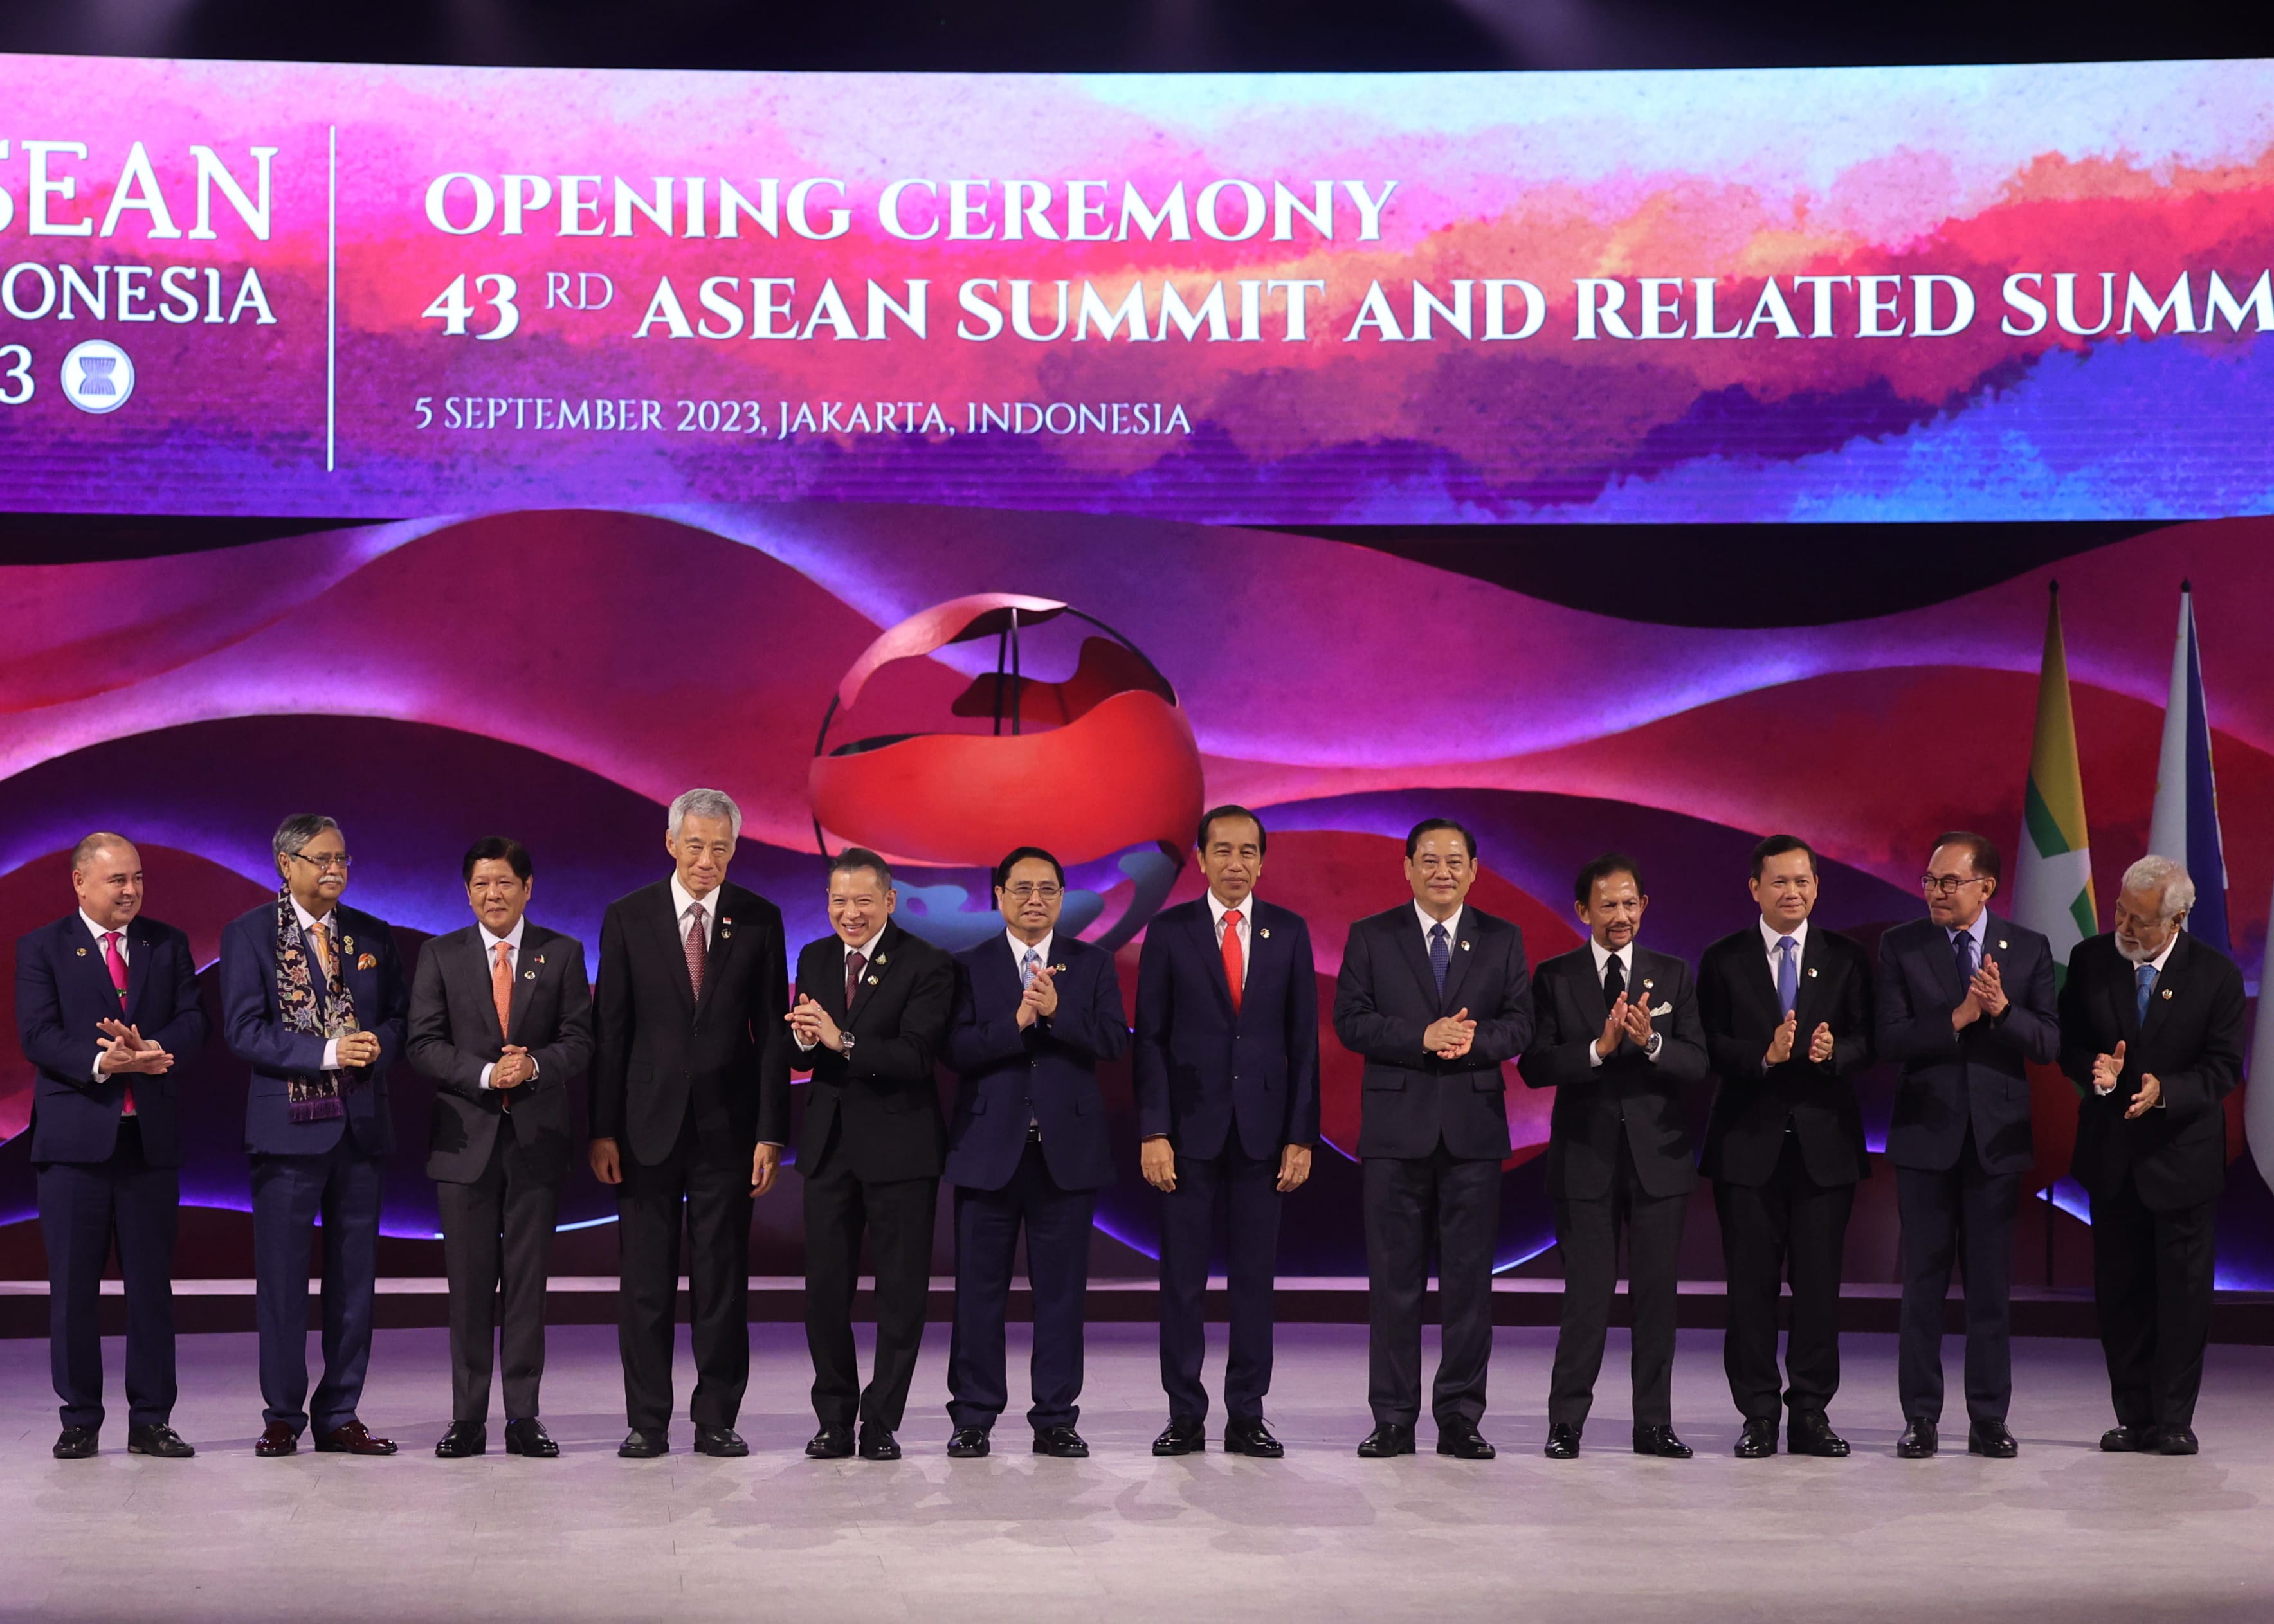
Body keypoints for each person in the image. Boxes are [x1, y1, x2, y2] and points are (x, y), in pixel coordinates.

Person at [590, 788, 791, 1458]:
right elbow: (610, 1032)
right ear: (671, 842)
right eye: (696, 845)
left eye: (722, 848)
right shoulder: (628, 917)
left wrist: (770, 1132)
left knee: (721, 1280)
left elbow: (770, 1036)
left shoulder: (759, 919)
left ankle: (715, 1417)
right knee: (644, 1282)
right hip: (643, 1128)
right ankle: (646, 1420)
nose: (708, 860)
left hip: (727, 1131)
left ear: (735, 850)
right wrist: (603, 1128)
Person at [1333, 818, 1533, 1461]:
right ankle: (1391, 1418)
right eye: (1428, 860)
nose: (1441, 871)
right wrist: (1419, 1037)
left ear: (1473, 870)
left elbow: (1520, 1025)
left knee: (1469, 1286)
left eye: (1454, 861)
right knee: (1393, 1284)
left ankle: (1459, 1418)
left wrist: (1473, 1040)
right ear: (1407, 866)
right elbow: (1350, 1021)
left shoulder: (1501, 940)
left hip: (1472, 1134)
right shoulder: (1372, 936)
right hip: (1395, 1134)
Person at [221, 814, 410, 1457]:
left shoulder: (373, 934)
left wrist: (376, 1045)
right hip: (287, 1132)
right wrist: (330, 1052)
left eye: (343, 858)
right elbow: (244, 1031)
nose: (335, 869)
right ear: (286, 863)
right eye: (322, 858)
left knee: (354, 1282)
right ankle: (282, 1414)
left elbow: (401, 1019)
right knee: (281, 1282)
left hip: (360, 1129)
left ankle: (340, 1413)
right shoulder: (249, 936)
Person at [1134, 805, 1320, 1459]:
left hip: (1264, 1136)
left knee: (1252, 1282)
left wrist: (1300, 1136)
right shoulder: (1169, 932)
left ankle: (1246, 1414)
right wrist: (1153, 1130)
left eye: (1247, 852)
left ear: (1262, 862)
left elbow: (1303, 1044)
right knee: (1181, 1282)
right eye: (1222, 851)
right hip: (1185, 1135)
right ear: (1202, 859)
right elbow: (1149, 1040)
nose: (1235, 863)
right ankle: (1184, 1414)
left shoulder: (1290, 933)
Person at [15, 833, 207, 1459]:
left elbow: (193, 1020)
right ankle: (80, 1419)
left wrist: (153, 1051)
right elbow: (39, 1035)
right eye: (116, 880)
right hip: (74, 1146)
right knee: (73, 1288)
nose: (130, 891)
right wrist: (107, 1062)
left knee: (151, 1287)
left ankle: (151, 1419)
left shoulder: (167, 943)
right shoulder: (42, 948)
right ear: (79, 883)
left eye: (138, 878)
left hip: (147, 1143)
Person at [407, 836, 593, 1460]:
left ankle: (522, 1417)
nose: (494, 895)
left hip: (536, 1142)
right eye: (482, 885)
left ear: (528, 887)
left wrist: (534, 1065)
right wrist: (489, 1075)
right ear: (467, 893)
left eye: (505, 883)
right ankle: (466, 1418)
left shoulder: (561, 954)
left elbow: (580, 1040)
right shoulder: (440, 955)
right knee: (467, 1287)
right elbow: (423, 1044)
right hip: (465, 1143)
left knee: (526, 1284)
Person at [942, 847, 1129, 1459]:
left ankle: (1055, 1418)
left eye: (1047, 889)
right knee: (978, 1294)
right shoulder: (968, 966)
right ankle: (973, 1416)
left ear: (1063, 897)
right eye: (1021, 888)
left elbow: (1110, 1042)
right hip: (987, 1151)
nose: (1034, 899)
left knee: (1060, 1295)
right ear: (998, 895)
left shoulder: (1093, 964)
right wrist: (1017, 1020)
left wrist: (1057, 1013)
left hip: (1065, 1156)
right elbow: (956, 1050)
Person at [1519, 853, 1706, 1461]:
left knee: (1656, 1297)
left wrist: (1650, 1042)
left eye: (1631, 904)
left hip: (1660, 1160)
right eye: (1608, 905)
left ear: (1644, 907)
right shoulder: (1555, 976)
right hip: (1584, 1159)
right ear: (1583, 912)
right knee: (1586, 1297)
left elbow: (1698, 1062)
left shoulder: (1674, 974)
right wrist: (1596, 1050)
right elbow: (1534, 1064)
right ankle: (1566, 1422)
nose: (1621, 915)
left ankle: (1653, 1424)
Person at [1876, 832, 2057, 1460]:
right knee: (1920, 1288)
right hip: (1925, 1137)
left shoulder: (2028, 950)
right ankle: (1919, 1418)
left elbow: (2047, 1043)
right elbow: (1888, 1038)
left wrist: (2001, 1009)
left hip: (1994, 1144)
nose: (1934, 892)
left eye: (1947, 882)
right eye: (1928, 881)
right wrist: (1953, 1019)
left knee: (1988, 1290)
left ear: (1985, 886)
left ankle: (1987, 1420)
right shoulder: (1901, 945)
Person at [2059, 855, 2246, 1456]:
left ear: (2178, 918)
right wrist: (2097, 1070)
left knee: (2182, 1297)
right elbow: (2070, 1045)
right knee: (2120, 1293)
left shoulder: (2216, 975)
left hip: (2182, 1161)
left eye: (2139, 920)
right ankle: (2131, 1414)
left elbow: (2222, 1069)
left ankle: (2172, 1419)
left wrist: (2165, 1091)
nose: (2124, 926)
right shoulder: (2091, 960)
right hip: (2112, 1157)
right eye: (2120, 911)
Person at [1697, 833, 1871, 1459]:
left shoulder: (1846, 957)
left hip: (1824, 1148)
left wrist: (1833, 1055)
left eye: (1802, 881)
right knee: (1749, 1290)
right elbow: (1706, 1044)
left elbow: (1866, 1039)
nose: (1791, 892)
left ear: (1816, 887)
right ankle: (1757, 1415)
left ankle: (1810, 1413)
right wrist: (1759, 1056)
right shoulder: (1722, 959)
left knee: (1819, 1288)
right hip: (1746, 1146)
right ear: (1754, 888)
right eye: (1779, 882)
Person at [788, 848, 956, 1463]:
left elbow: (915, 1056)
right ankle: (834, 1418)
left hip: (901, 1151)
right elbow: (805, 1055)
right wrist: (803, 1039)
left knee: (900, 1294)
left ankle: (881, 1421)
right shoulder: (814, 956)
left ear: (889, 900)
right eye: (839, 901)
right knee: (824, 1293)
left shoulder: (927, 963)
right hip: (829, 1150)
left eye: (862, 900)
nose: (849, 913)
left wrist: (843, 1039)